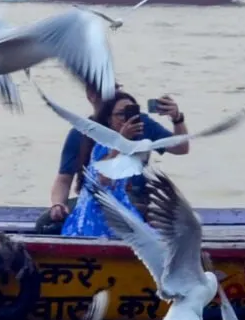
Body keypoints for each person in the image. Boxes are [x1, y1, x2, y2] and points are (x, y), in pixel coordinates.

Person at [41, 89, 191, 237]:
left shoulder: (143, 125)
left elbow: (181, 148)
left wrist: (177, 118)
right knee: (46, 223)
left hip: (134, 196)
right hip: (96, 199)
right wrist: (58, 204)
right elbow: (76, 179)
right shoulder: (88, 134)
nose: (126, 118)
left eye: (131, 112)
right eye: (120, 114)